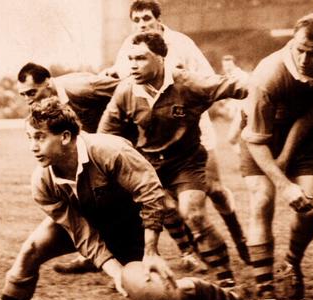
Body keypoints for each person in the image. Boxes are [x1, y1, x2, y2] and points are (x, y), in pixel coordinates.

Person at [0, 98, 272, 300]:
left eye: (39, 137)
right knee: (30, 251)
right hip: (86, 217)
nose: (33, 147)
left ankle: (235, 298)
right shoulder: (42, 182)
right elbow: (80, 232)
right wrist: (113, 271)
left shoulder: (109, 151)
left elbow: (153, 194)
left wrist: (151, 251)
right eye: (30, 138)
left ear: (65, 137)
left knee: (161, 296)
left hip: (127, 222)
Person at [16, 62, 209, 274]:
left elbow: (127, 88)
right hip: (89, 156)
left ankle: (187, 253)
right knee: (91, 203)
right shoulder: (45, 112)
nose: (28, 99)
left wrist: (134, 123)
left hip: (121, 150)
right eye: (23, 95)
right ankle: (96, 256)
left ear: (48, 82)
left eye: (32, 92)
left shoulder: (82, 87)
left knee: (157, 198)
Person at [105, 0, 250, 266]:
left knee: (214, 189)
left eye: (146, 18)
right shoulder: (130, 46)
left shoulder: (181, 43)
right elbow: (120, 81)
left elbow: (207, 78)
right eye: (136, 20)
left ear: (158, 18)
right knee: (162, 197)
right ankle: (189, 251)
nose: (141, 24)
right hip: (154, 130)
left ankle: (240, 238)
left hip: (191, 126)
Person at [240, 12, 313, 300]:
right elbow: (256, 140)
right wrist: (282, 182)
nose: (306, 58)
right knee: (261, 200)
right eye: (300, 49)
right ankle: (265, 292)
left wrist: (286, 158)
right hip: (260, 136)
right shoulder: (267, 76)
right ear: (291, 41)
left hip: (304, 135)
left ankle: (291, 263)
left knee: (309, 208)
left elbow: (310, 115)